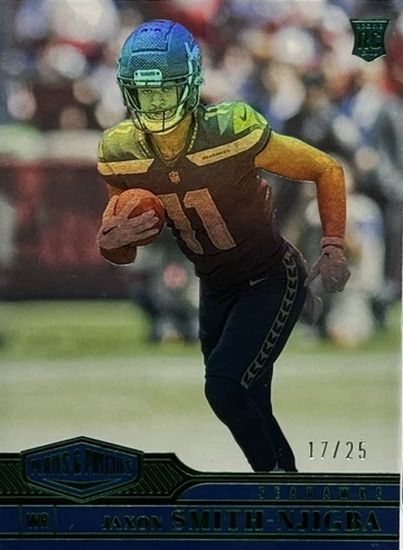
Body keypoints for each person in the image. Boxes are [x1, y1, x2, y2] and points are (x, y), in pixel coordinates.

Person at [96, 20, 350, 472]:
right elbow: (124, 248)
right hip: (214, 287)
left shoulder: (229, 129)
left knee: (224, 387)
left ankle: (278, 486)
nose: (156, 102)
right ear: (128, 91)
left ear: (191, 84)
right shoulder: (121, 151)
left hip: (272, 275)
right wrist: (111, 244)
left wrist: (332, 245)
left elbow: (325, 168)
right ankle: (285, 489)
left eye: (166, 89)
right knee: (248, 398)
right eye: (145, 91)